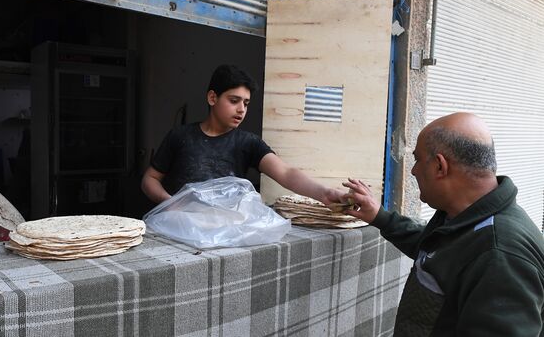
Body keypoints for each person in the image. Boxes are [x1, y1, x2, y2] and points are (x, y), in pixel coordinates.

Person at [343, 112, 544, 337]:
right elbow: (436, 249)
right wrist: (379, 216)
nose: (413, 170)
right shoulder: (465, 216)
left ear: (440, 166)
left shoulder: (500, 255)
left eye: (417, 159)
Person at [142, 64, 344, 205]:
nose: (241, 109)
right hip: (178, 227)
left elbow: (286, 173)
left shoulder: (248, 143)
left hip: (224, 231)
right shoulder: (180, 136)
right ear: (213, 98)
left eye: (246, 103)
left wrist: (324, 193)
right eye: (234, 100)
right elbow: (149, 179)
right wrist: (170, 203)